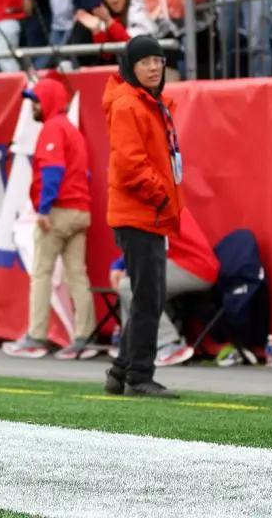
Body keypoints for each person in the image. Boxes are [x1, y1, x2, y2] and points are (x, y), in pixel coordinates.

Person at [102, 35, 184, 399]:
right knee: (150, 297)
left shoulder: (149, 103)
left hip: (147, 213)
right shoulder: (128, 105)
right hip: (141, 213)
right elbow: (130, 167)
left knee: (146, 295)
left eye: (158, 60)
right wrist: (163, 198)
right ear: (130, 68)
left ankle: (122, 371)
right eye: (145, 61)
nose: (154, 67)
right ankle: (139, 376)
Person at [3, 77, 95, 360]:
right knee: (77, 275)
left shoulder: (53, 129)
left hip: (59, 211)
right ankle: (85, 337)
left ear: (48, 101)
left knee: (41, 273)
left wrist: (44, 209)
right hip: (81, 210)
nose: (32, 106)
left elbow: (53, 172)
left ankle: (36, 337)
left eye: (35, 100)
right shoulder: (71, 129)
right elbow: (85, 173)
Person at [109, 206, 219, 367]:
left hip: (196, 267)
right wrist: (120, 266)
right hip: (189, 264)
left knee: (129, 286)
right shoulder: (161, 201)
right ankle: (132, 348)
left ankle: (169, 344)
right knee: (131, 285)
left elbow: (147, 246)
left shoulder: (157, 206)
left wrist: (120, 267)